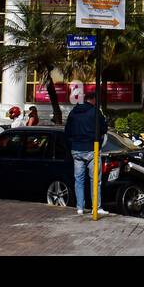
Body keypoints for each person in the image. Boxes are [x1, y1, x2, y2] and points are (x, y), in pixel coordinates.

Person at [63, 82, 108, 215]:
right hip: (91, 149)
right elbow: (104, 128)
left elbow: (67, 132)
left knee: (79, 180)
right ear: (93, 100)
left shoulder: (73, 112)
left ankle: (80, 208)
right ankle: (97, 207)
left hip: (76, 150)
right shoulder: (95, 112)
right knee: (95, 180)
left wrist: (72, 144)